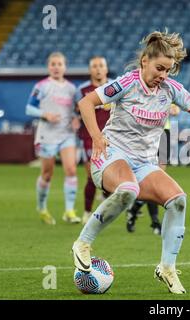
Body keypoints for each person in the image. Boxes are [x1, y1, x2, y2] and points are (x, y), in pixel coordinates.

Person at [71, 30, 190, 294]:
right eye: (159, 68)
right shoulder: (126, 83)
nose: (163, 75)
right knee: (128, 190)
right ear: (145, 61)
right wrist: (97, 138)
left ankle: (167, 267)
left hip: (145, 163)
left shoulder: (170, 89)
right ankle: (83, 243)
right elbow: (86, 102)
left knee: (178, 199)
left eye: (168, 70)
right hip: (112, 157)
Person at [26, 52, 81, 225]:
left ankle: (69, 211)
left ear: (65, 66)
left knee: (71, 170)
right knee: (47, 174)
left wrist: (75, 118)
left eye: (59, 64)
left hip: (66, 135)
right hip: (46, 135)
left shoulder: (72, 89)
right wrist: (44, 114)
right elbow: (29, 108)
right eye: (53, 64)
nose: (56, 67)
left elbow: (77, 110)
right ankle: (42, 208)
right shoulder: (41, 86)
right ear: (48, 66)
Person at [126, 103, 181, 235]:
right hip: (146, 134)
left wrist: (173, 109)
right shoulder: (142, 89)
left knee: (158, 179)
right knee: (152, 180)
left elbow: (176, 110)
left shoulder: (166, 89)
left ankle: (134, 209)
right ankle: (155, 221)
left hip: (164, 134)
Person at [75, 56, 113, 224]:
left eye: (101, 66)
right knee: (91, 176)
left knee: (110, 178)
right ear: (90, 70)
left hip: (113, 138)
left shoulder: (115, 86)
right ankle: (87, 212)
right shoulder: (83, 90)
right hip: (89, 138)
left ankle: (104, 209)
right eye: (95, 66)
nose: (98, 69)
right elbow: (76, 111)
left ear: (106, 69)